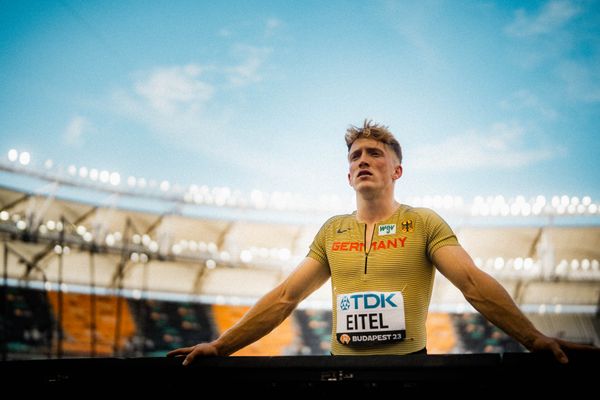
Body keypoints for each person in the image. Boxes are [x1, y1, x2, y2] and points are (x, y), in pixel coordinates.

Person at [168, 119, 596, 365]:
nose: (363, 161)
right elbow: (284, 297)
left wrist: (532, 337)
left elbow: (471, 282)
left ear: (397, 171)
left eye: (374, 154)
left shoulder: (423, 222)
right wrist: (220, 346)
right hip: (343, 373)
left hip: (410, 369)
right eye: (355, 156)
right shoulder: (332, 231)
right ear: (348, 175)